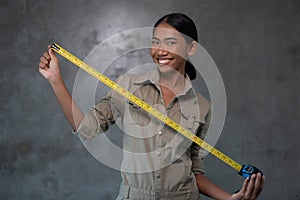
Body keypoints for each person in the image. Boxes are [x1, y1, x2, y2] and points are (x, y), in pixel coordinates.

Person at [39, 13, 264, 200]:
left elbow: (194, 170)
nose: (160, 50)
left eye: (171, 42)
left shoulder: (203, 107)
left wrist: (230, 199)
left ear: (191, 48)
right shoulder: (128, 86)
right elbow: (88, 128)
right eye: (155, 42)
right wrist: (55, 80)